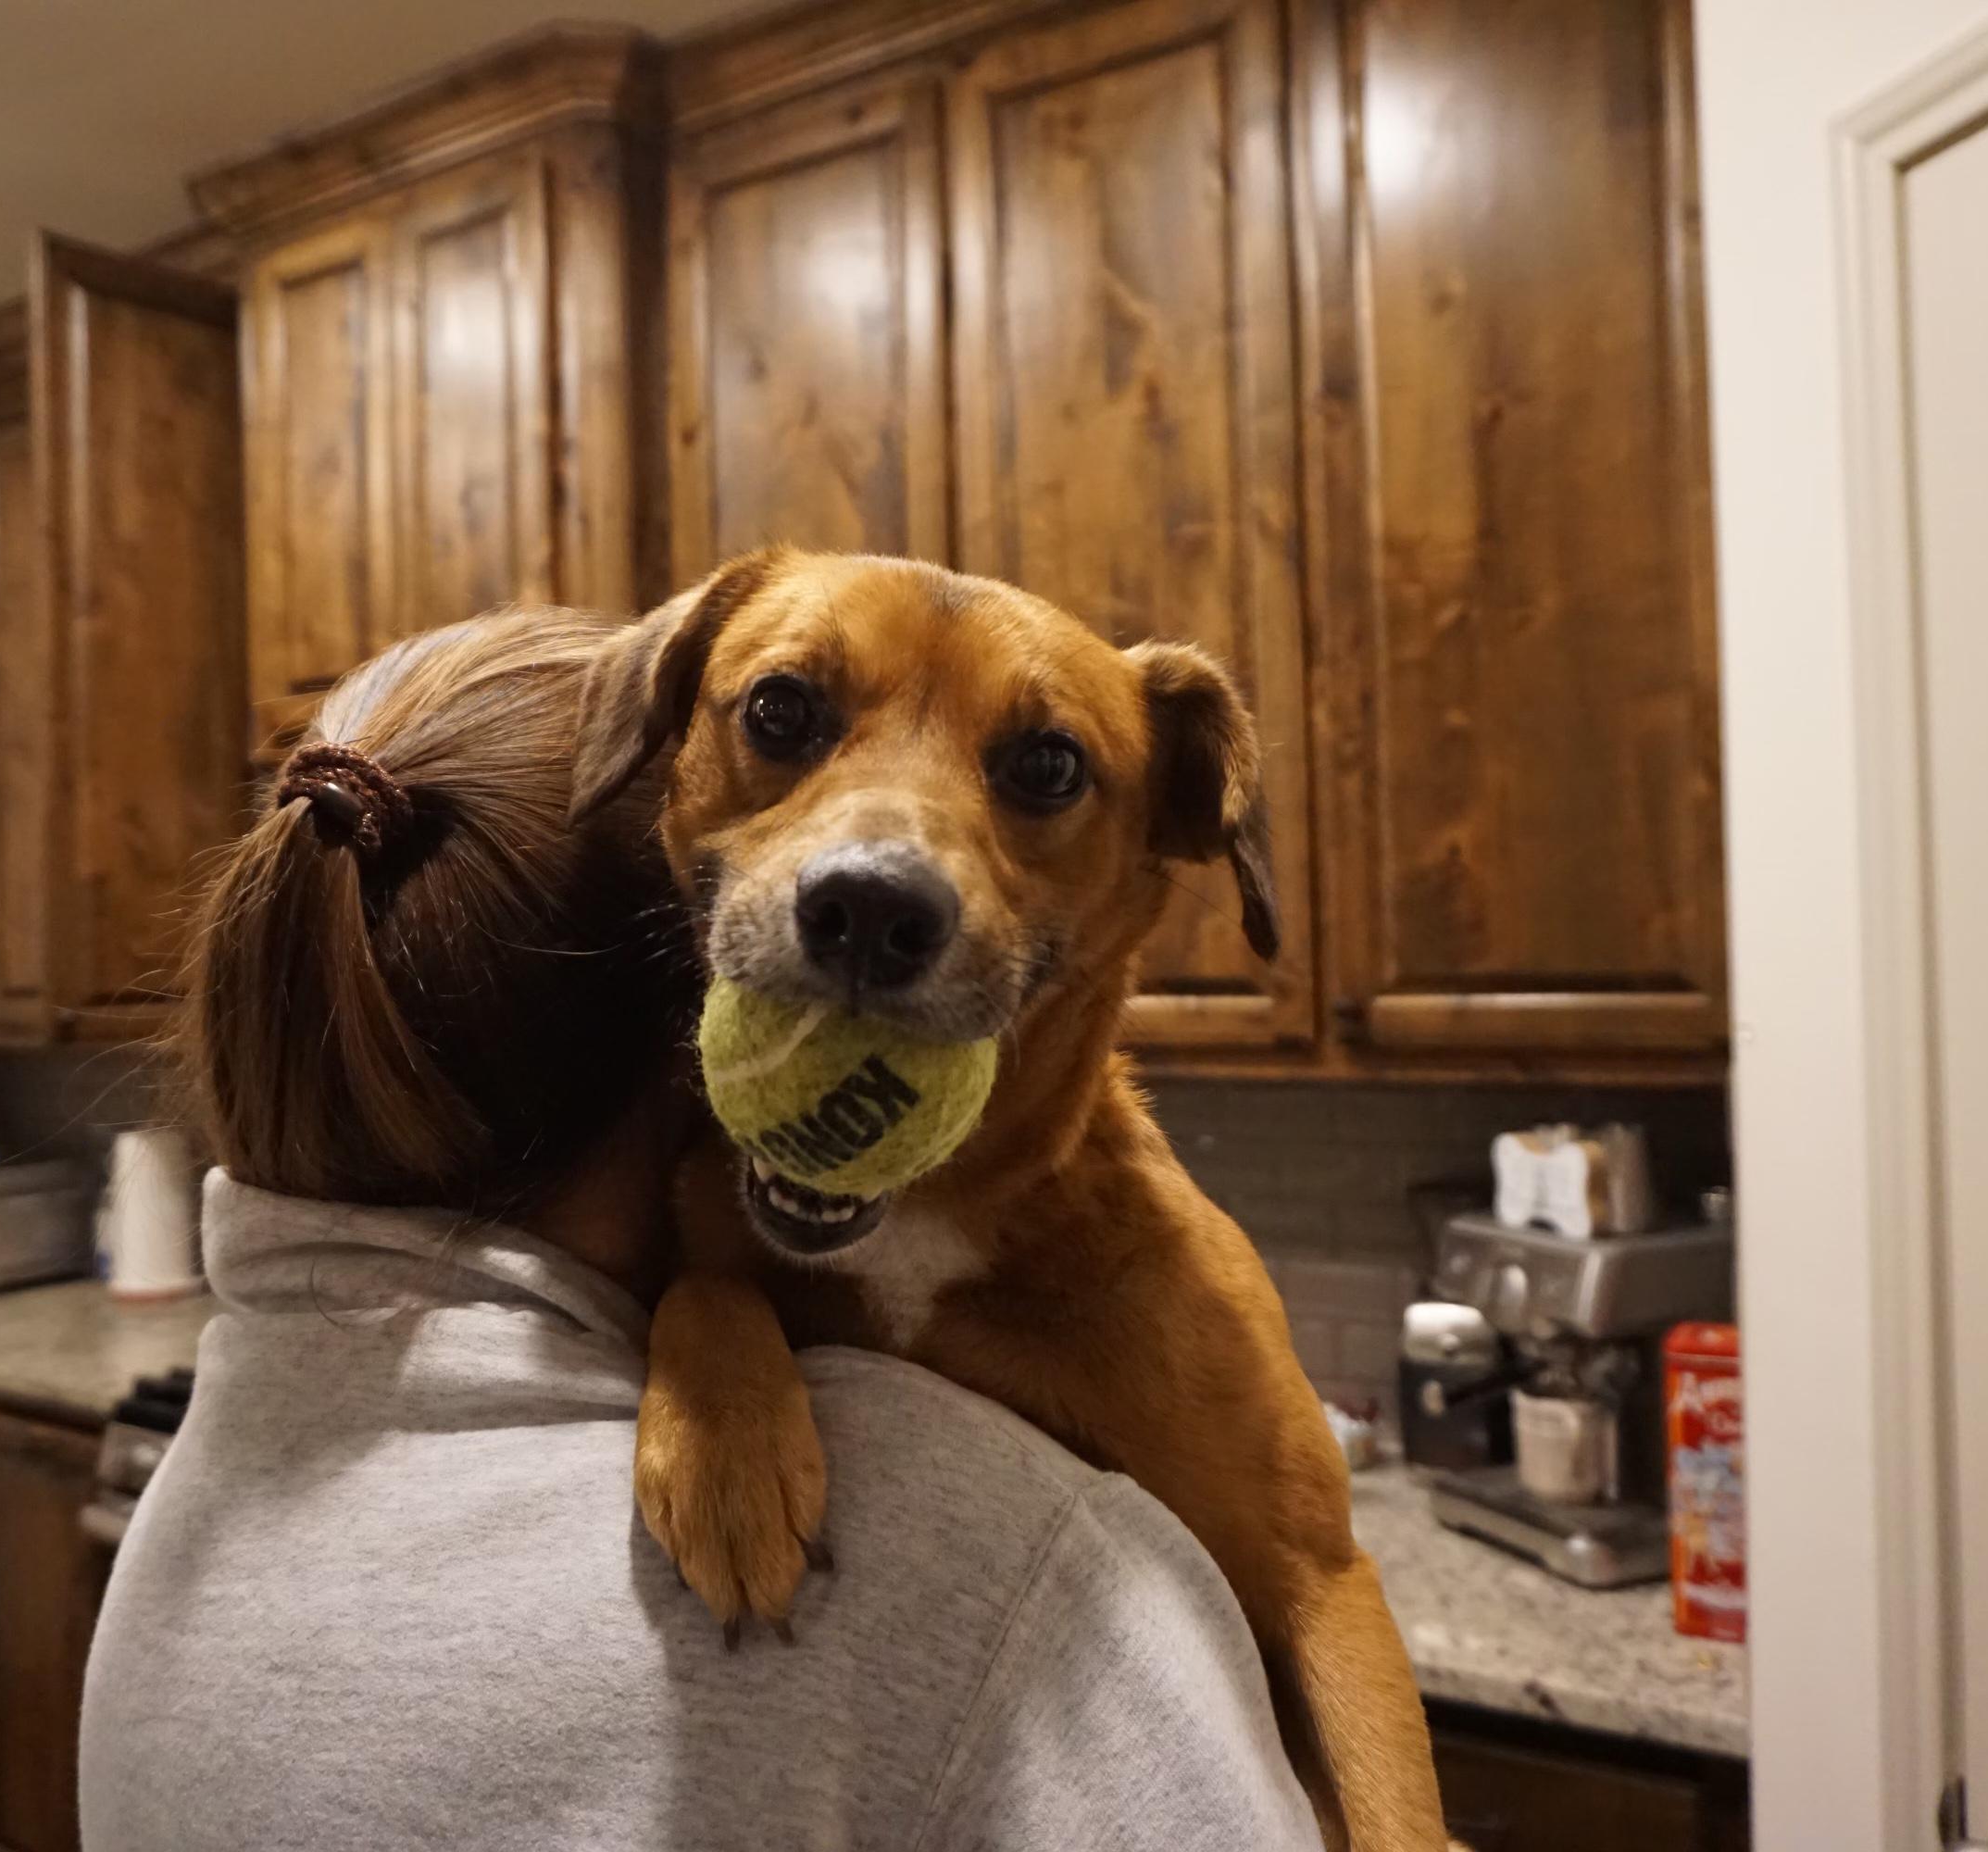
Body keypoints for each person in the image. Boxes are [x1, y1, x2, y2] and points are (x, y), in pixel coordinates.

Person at [78, 607, 1321, 1850]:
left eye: (1038, 769)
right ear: (692, 1015)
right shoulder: (996, 1571)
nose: (880, 858)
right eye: (782, 723)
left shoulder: (176, 1539)